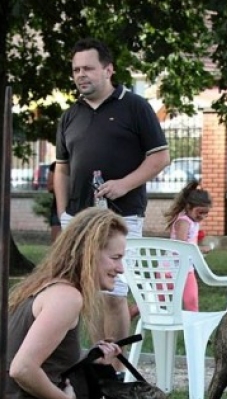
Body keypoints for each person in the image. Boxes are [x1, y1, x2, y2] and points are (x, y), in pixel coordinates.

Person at [4, 207, 138, 399]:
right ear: (89, 252)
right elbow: (22, 368)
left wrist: (92, 353)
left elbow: (44, 354)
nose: (121, 268)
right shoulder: (67, 297)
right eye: (115, 258)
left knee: (94, 372)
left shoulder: (40, 288)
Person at [54, 38, 170, 349]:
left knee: (114, 292)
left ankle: (116, 370)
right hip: (79, 219)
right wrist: (64, 213)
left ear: (108, 70)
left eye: (88, 68)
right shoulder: (70, 115)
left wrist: (124, 184)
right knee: (88, 294)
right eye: (76, 69)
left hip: (123, 215)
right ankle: (97, 368)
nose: (81, 75)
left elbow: (160, 157)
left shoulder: (135, 107)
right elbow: (61, 168)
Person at [164, 180, 213, 312]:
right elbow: (182, 246)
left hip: (186, 269)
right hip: (169, 270)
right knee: (160, 302)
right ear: (189, 207)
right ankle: (134, 310)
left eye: (206, 213)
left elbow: (191, 242)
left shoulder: (193, 221)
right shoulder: (183, 221)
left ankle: (193, 329)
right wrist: (200, 249)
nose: (202, 216)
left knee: (191, 301)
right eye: (200, 212)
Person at [47, 161, 62, 243]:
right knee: (56, 242)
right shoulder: (55, 165)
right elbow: (49, 186)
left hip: (78, 206)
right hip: (58, 207)